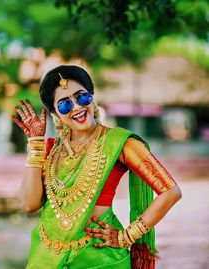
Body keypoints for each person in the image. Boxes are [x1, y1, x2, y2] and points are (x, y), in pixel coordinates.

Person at [12, 65, 182, 269]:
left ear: (92, 97)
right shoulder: (50, 149)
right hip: (48, 256)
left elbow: (171, 191)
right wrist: (36, 143)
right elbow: (29, 204)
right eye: (65, 104)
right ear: (55, 113)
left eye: (81, 97)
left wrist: (127, 236)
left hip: (100, 257)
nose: (76, 107)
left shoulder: (119, 143)